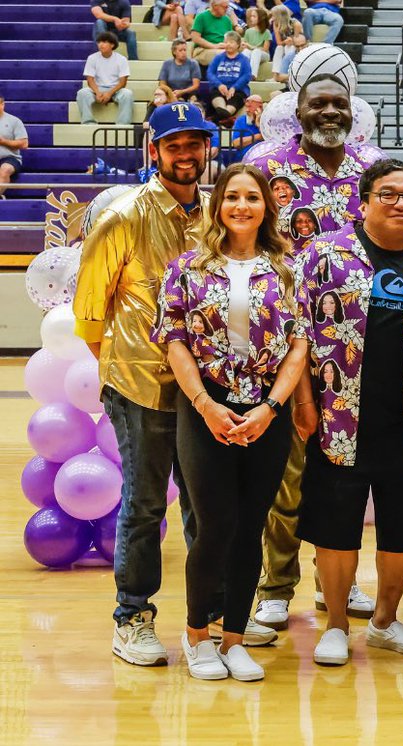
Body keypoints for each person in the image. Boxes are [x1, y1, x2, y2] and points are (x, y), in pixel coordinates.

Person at [156, 163, 307, 681]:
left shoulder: (288, 269)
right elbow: (174, 341)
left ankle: (235, 637)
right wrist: (204, 404)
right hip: (206, 408)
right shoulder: (187, 268)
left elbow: (299, 346)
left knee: (250, 528)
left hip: (267, 409)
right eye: (232, 197)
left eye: (253, 197)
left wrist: (270, 409)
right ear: (218, 204)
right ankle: (198, 634)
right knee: (216, 524)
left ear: (267, 207)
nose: (242, 206)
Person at [76, 103, 210, 667]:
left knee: (206, 506)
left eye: (194, 144)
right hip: (142, 386)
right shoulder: (123, 216)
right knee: (146, 503)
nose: (186, 154)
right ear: (152, 151)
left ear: (206, 150)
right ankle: (132, 617)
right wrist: (125, 372)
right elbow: (88, 315)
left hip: (208, 388)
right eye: (173, 145)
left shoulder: (217, 216)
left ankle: (208, 619)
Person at [246, 74, 381, 630]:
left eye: (339, 104)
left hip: (360, 344)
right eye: (318, 103)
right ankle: (276, 585)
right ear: (297, 112)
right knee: (288, 471)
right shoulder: (267, 167)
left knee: (348, 475)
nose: (330, 111)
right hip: (285, 340)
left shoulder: (371, 170)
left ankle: (339, 587)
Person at [292, 160, 403, 666]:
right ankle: (334, 624)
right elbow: (299, 332)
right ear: (364, 201)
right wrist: (305, 401)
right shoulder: (324, 253)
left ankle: (383, 621)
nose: (402, 203)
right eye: (389, 194)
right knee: (335, 524)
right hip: (339, 415)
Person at [77, 32, 135, 126]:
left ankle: (123, 124)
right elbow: (90, 79)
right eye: (99, 42)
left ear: (112, 44)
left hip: (116, 89)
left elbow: (123, 82)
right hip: (97, 88)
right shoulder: (92, 58)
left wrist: (109, 93)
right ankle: (88, 123)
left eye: (104, 42)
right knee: (82, 93)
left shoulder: (121, 59)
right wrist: (98, 92)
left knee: (127, 94)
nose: (100, 45)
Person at [206, 32, 253, 122]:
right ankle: (226, 118)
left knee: (237, 97)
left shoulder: (244, 59)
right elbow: (210, 73)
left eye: (231, 42)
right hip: (219, 89)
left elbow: (247, 75)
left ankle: (215, 119)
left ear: (238, 44)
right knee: (215, 95)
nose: (228, 44)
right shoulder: (218, 58)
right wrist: (219, 85)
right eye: (226, 42)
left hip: (238, 91)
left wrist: (234, 87)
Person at [0, 96, 29, 199]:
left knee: (5, 169)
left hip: (9, 158)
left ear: (3, 105)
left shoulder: (14, 121)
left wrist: (3, 141)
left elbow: (24, 144)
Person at [192, 0, 237, 66]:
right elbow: (195, 38)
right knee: (225, 55)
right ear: (215, 6)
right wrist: (214, 46)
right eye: (225, 7)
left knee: (245, 53)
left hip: (223, 48)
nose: (227, 9)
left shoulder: (227, 20)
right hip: (203, 50)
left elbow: (230, 38)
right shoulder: (201, 17)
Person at [269, 4, 303, 83]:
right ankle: (275, 75)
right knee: (279, 48)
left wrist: (292, 40)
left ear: (280, 16)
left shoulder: (295, 24)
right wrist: (285, 41)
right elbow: (279, 43)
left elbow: (300, 41)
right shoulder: (276, 23)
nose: (272, 18)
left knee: (290, 48)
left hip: (297, 47)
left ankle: (288, 74)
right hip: (285, 45)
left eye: (274, 16)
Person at [241, 6, 272, 80]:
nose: (251, 18)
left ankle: (252, 75)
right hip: (251, 52)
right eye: (251, 16)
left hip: (263, 55)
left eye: (254, 16)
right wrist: (244, 45)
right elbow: (245, 46)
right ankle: (242, 73)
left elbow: (264, 49)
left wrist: (251, 47)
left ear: (260, 18)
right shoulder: (248, 31)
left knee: (256, 51)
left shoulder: (266, 32)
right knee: (246, 52)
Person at [230, 95, 264, 160]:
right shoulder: (240, 120)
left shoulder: (266, 119)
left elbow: (269, 139)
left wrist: (259, 124)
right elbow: (236, 143)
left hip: (262, 157)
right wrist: (258, 136)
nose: (247, 109)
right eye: (246, 106)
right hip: (243, 158)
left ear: (260, 107)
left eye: (250, 106)